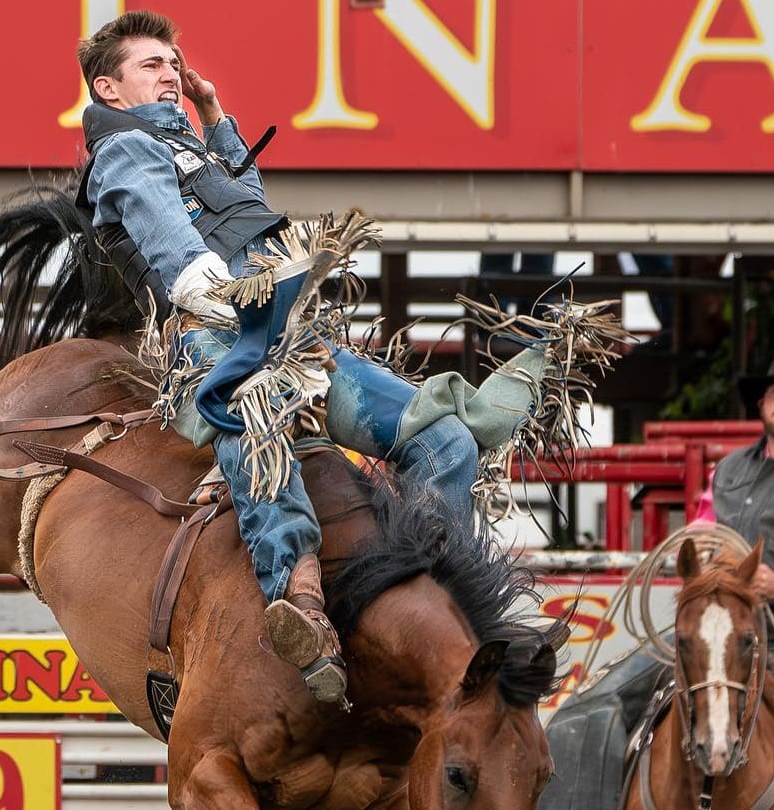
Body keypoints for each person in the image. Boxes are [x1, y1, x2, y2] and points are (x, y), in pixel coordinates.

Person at [75, 11, 564, 703]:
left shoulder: (190, 145)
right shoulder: (125, 148)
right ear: (109, 89)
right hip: (215, 340)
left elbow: (247, 210)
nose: (171, 73)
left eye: (175, 61)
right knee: (257, 414)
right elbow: (176, 254)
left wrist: (215, 118)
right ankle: (299, 599)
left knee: (445, 437)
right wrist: (248, 306)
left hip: (289, 332)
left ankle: (447, 596)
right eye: (152, 64)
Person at [542, 348, 774, 810]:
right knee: (593, 703)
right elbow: (703, 531)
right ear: (761, 404)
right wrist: (694, 549)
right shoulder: (729, 471)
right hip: (712, 630)